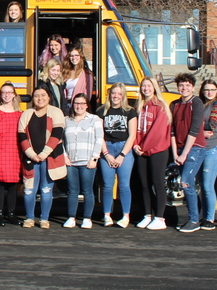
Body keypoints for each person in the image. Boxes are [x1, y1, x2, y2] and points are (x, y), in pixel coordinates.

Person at [17, 86, 67, 229]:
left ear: (49, 97)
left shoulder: (56, 112)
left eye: (43, 95)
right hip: (30, 158)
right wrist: (31, 154)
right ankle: (29, 218)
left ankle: (44, 219)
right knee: (29, 189)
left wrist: (44, 154)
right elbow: (21, 134)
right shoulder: (27, 113)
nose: (40, 98)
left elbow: (57, 134)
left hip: (50, 157)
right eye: (36, 96)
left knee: (46, 189)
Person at [133, 77, 172, 230]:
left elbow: (158, 131)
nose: (146, 89)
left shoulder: (160, 106)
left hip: (157, 150)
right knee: (143, 183)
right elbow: (135, 128)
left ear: (154, 88)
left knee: (157, 183)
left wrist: (144, 146)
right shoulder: (140, 106)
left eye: (149, 86)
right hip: (141, 150)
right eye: (144, 86)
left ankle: (160, 217)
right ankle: (147, 215)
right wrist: (136, 144)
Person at [97, 82, 136, 227]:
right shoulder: (102, 111)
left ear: (123, 95)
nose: (116, 96)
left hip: (123, 149)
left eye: (119, 94)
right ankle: (107, 215)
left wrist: (122, 155)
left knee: (124, 185)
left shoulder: (129, 111)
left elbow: (132, 135)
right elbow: (99, 134)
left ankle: (125, 216)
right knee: (107, 185)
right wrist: (106, 154)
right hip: (107, 148)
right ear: (109, 94)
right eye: (114, 93)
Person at [170, 72, 205, 233]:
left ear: (193, 87)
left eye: (187, 86)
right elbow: (172, 130)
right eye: (181, 85)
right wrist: (176, 153)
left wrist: (184, 153)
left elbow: (195, 128)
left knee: (186, 182)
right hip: (179, 148)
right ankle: (194, 216)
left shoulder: (196, 103)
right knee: (185, 183)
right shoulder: (175, 104)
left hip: (194, 148)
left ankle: (194, 220)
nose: (184, 88)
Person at [63, 93, 104, 229]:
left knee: (87, 190)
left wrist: (94, 158)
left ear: (87, 105)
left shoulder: (94, 119)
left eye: (82, 103)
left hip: (87, 161)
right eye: (76, 103)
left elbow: (99, 139)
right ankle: (71, 217)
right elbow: (60, 140)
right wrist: (64, 156)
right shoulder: (66, 120)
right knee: (72, 190)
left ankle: (87, 218)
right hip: (71, 162)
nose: (79, 106)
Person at [0, 83, 23, 226]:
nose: (6, 95)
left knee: (13, 185)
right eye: (3, 92)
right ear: (0, 95)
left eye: (9, 92)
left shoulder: (20, 114)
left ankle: (12, 214)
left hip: (14, 152)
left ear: (14, 95)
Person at [196, 79, 217, 230]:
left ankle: (210, 218)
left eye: (212, 90)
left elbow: (211, 128)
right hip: (199, 149)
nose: (209, 92)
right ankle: (203, 215)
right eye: (206, 89)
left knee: (208, 185)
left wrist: (197, 130)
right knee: (202, 185)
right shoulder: (201, 104)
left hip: (212, 149)